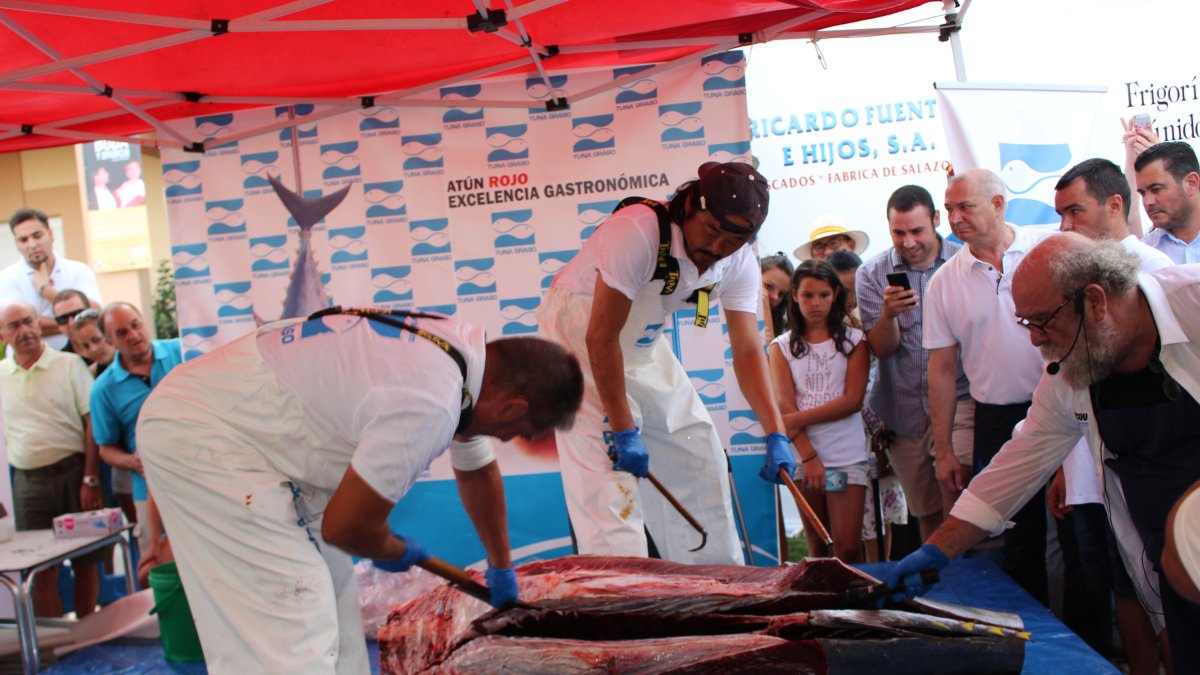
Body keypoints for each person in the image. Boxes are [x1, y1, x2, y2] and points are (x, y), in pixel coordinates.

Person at [137, 308, 584, 672]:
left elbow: (475, 470)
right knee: (289, 622)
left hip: (263, 442)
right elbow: (347, 526)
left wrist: (500, 567)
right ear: (512, 406)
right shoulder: (430, 398)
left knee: (335, 614)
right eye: (519, 431)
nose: (508, 441)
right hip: (208, 437)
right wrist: (393, 548)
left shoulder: (462, 358)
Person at [888, 234, 1200, 668]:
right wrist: (938, 549)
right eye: (1026, 324)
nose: (1035, 341)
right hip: (1165, 559)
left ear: (1095, 301)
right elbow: (1020, 461)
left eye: (1042, 322)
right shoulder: (1072, 370)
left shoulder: (1194, 299)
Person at [537, 161, 792, 565]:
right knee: (610, 480)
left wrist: (776, 432)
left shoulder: (739, 260)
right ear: (689, 206)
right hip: (580, 333)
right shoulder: (638, 228)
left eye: (733, 241)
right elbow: (600, 339)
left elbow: (746, 351)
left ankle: (717, 592)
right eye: (711, 232)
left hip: (641, 342)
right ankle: (624, 603)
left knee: (699, 453)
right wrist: (622, 430)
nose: (717, 249)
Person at [1051, 157, 1171, 663]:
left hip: (1156, 467)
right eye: (1060, 215)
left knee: (1170, 588)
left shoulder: (1161, 272)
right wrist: (1062, 462)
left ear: (1115, 204)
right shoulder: (1070, 283)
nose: (1065, 227)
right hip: (1086, 466)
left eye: (1074, 211)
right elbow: (1058, 391)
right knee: (1115, 585)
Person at [924, 168, 1056, 604]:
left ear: (999, 204)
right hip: (997, 420)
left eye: (965, 207)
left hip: (1063, 408)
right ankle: (1032, 646)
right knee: (1016, 538)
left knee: (1081, 531)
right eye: (949, 209)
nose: (954, 218)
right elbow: (941, 370)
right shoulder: (943, 282)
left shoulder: (1047, 249)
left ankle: (1093, 644)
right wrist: (944, 449)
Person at [857, 185, 972, 542]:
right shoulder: (872, 274)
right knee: (927, 512)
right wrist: (889, 314)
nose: (908, 242)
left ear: (936, 221)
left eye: (917, 230)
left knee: (961, 505)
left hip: (961, 401)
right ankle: (938, 591)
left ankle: (971, 587)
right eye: (898, 232)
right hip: (903, 411)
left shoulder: (965, 261)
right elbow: (882, 349)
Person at [0, 302, 102, 618]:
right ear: (2, 335)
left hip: (74, 475)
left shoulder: (69, 365)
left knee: (86, 561)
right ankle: (58, 653)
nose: (24, 330)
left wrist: (90, 478)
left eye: (29, 321)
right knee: (41, 571)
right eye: (14, 325)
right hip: (28, 484)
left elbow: (92, 423)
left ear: (38, 324)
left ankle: (87, 640)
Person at [769, 260, 869, 562]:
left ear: (836, 294)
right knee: (818, 546)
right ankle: (824, 609)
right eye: (808, 295)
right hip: (803, 458)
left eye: (824, 295)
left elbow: (852, 400)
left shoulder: (855, 340)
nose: (816, 303)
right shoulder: (781, 347)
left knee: (847, 546)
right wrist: (810, 457)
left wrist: (796, 419)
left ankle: (858, 607)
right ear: (795, 297)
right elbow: (785, 404)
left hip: (845, 457)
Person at [90, 302, 184, 577]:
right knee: (155, 566)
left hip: (198, 475)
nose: (133, 335)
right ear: (109, 341)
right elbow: (105, 449)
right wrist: (131, 460)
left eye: (135, 325)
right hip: (147, 486)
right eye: (121, 332)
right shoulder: (103, 389)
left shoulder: (182, 351)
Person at [0, 208, 101, 351]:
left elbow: (93, 313)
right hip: (30, 364)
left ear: (51, 234)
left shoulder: (79, 270)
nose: (32, 244)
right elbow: (14, 327)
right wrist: (74, 320)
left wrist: (47, 292)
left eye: (37, 236)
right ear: (16, 244)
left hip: (79, 359)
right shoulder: (6, 278)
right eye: (23, 240)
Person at [1135, 141, 1200, 264]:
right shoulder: (1143, 256)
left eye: (1156, 189)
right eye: (1142, 193)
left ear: (1191, 183)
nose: (1148, 202)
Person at [793, 215, 869, 261]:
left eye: (834, 243)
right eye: (819, 247)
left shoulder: (870, 281)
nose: (827, 252)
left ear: (851, 245)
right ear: (812, 255)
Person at [760, 252, 793, 343]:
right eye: (769, 286)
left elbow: (770, 354)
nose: (775, 297)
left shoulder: (785, 329)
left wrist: (766, 311)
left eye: (781, 294)